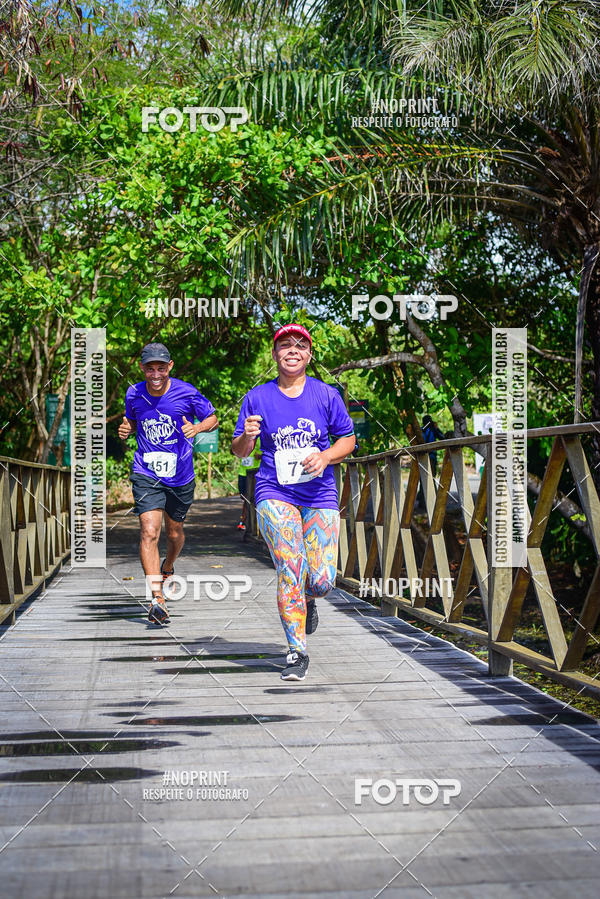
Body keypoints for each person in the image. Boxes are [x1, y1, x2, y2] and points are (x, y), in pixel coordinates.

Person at [232, 324, 356, 681]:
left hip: (319, 494)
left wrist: (326, 456)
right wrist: (247, 437)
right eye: (285, 345)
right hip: (275, 491)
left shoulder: (326, 394)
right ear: (275, 354)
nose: (292, 350)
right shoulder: (257, 397)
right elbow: (240, 451)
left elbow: (347, 440)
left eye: (300, 346)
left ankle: (309, 599)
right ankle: (296, 651)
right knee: (290, 567)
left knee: (321, 580)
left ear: (309, 355)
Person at [118, 343, 218, 625]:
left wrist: (197, 428)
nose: (155, 374)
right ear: (142, 368)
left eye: (161, 368)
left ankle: (168, 566)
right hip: (146, 472)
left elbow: (213, 418)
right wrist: (127, 428)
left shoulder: (187, 392)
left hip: (180, 475)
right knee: (149, 531)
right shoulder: (134, 393)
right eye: (150, 369)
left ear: (170, 366)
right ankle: (156, 599)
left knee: (174, 533)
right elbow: (133, 420)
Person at [237, 436, 261, 531]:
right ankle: (245, 521)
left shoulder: (260, 437)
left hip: (254, 473)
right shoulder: (243, 435)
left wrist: (260, 456)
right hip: (242, 472)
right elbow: (233, 450)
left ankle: (248, 522)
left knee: (252, 499)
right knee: (245, 498)